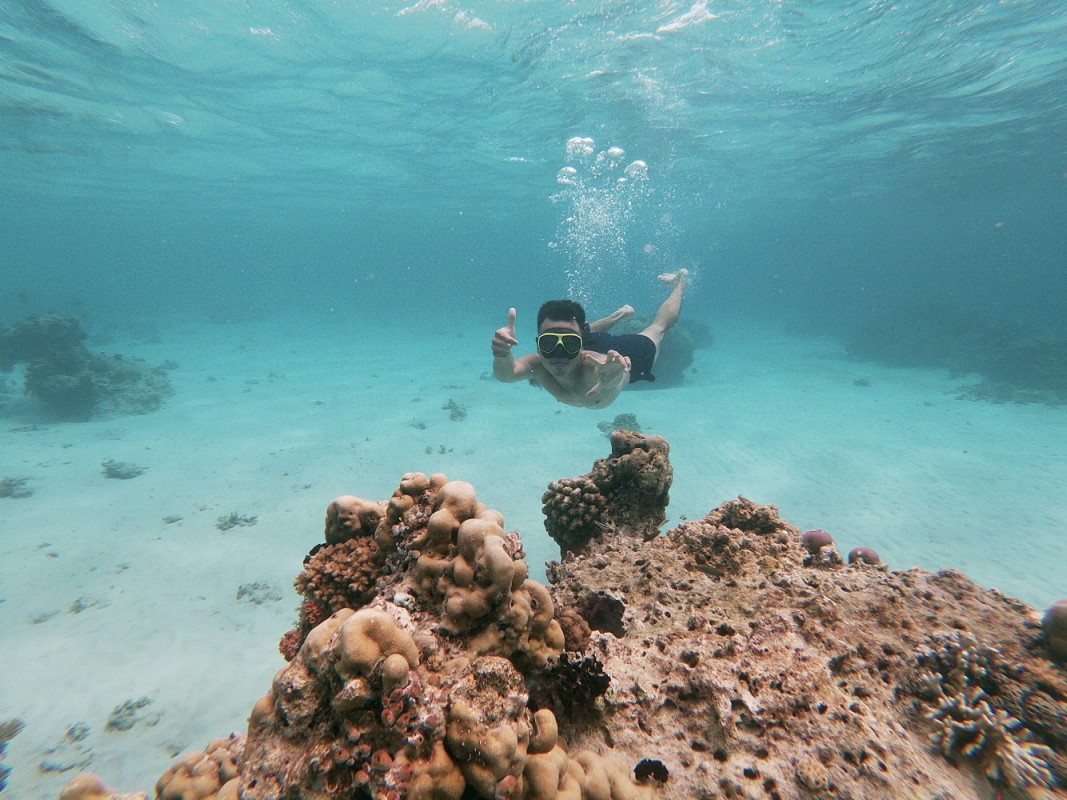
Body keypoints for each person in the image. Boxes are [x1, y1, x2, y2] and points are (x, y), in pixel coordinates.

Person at [491, 270, 688, 409]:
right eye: (549, 343)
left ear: (581, 345)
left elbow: (609, 369)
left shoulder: (597, 367)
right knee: (569, 334)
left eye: (570, 344)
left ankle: (681, 280)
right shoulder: (538, 366)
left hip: (624, 354)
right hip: (585, 345)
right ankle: (617, 316)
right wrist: (502, 354)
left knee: (658, 329)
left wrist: (614, 376)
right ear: (538, 345)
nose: (559, 354)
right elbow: (506, 374)